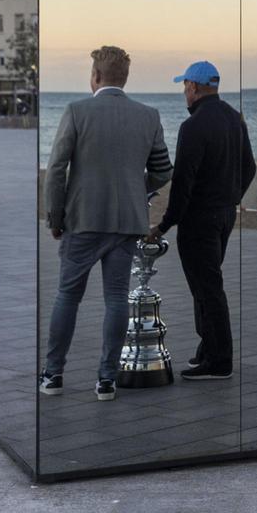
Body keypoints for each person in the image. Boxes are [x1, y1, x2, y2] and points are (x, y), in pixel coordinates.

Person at [41, 46, 172, 401]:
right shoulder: (148, 115)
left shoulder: (76, 111)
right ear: (124, 78)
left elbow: (56, 169)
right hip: (126, 223)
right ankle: (106, 380)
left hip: (82, 221)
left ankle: (53, 374)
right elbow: (162, 170)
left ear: (95, 77)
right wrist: (134, 190)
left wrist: (55, 216)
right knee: (116, 299)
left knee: (68, 295)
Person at [147, 61, 256, 380]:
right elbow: (249, 168)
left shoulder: (192, 127)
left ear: (194, 87)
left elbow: (183, 182)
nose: (184, 92)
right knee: (206, 285)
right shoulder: (234, 118)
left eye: (185, 87)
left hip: (198, 221)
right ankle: (207, 350)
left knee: (208, 289)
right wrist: (231, 198)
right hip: (222, 216)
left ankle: (219, 360)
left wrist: (165, 224)